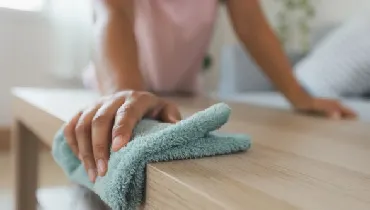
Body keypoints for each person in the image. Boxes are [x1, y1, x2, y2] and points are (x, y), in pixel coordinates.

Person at [63, 0, 356, 183]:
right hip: (114, 88)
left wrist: (298, 95)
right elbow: (114, 14)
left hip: (183, 94)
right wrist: (124, 92)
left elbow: (253, 27)